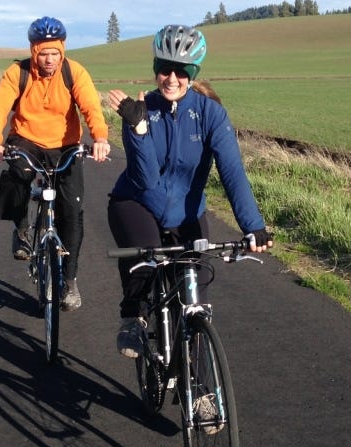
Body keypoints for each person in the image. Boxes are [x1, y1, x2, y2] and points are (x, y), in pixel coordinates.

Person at [105, 24, 273, 358]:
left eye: (181, 71)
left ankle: (198, 391)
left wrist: (252, 225)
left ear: (192, 73)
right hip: (136, 202)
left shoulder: (210, 114)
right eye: (164, 69)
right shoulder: (140, 110)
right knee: (147, 256)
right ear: (156, 70)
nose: (171, 78)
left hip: (187, 211)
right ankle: (133, 317)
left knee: (195, 300)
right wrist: (138, 129)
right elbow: (146, 178)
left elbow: (232, 172)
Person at [0, 16, 111, 311]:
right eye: (43, 53)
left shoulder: (73, 72)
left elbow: (91, 106)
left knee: (72, 209)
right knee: (18, 174)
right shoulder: (18, 73)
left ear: (62, 50)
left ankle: (70, 281)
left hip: (65, 145)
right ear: (33, 50)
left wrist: (100, 137)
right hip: (27, 139)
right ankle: (23, 229)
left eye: (55, 53)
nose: (49, 59)